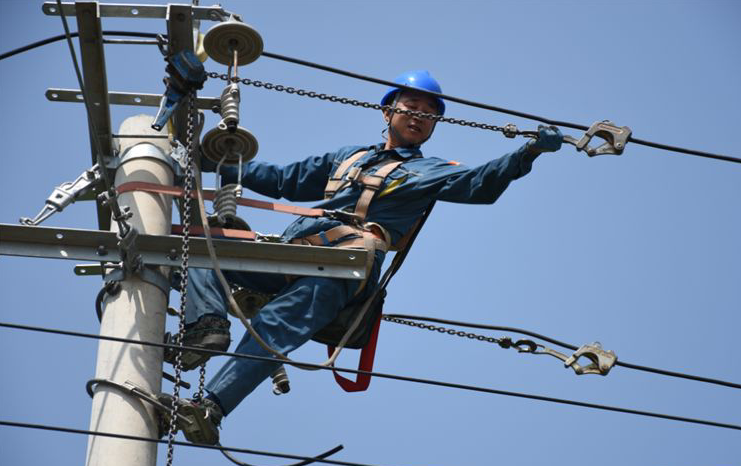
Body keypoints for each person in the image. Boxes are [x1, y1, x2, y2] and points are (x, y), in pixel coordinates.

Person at [160, 70, 563, 444]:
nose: (420, 116)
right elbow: (284, 179)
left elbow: (479, 185)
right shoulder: (348, 158)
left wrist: (526, 154)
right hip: (293, 254)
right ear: (388, 111)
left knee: (273, 325)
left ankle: (210, 408)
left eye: (430, 113)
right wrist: (217, 163)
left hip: (343, 266)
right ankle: (206, 327)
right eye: (411, 107)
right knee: (202, 246)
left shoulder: (429, 172)